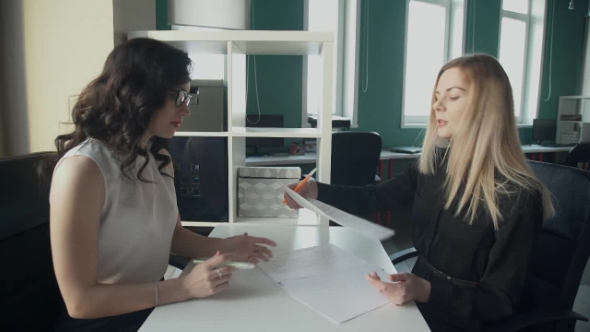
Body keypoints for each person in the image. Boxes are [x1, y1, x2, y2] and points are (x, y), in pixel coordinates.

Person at [284, 54, 554, 331]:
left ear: (487, 106)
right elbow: (374, 197)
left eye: (453, 96)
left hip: (461, 318)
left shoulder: (519, 196)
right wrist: (315, 191)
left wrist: (424, 290)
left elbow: (499, 303)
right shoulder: (435, 164)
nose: (436, 105)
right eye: (437, 96)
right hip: (415, 301)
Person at [40, 38, 276, 331]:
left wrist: (225, 247)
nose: (186, 110)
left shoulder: (158, 157)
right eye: (179, 97)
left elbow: (171, 235)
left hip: (154, 307)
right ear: (141, 91)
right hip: (105, 323)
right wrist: (184, 288)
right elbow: (80, 302)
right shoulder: (83, 170)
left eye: (189, 98)